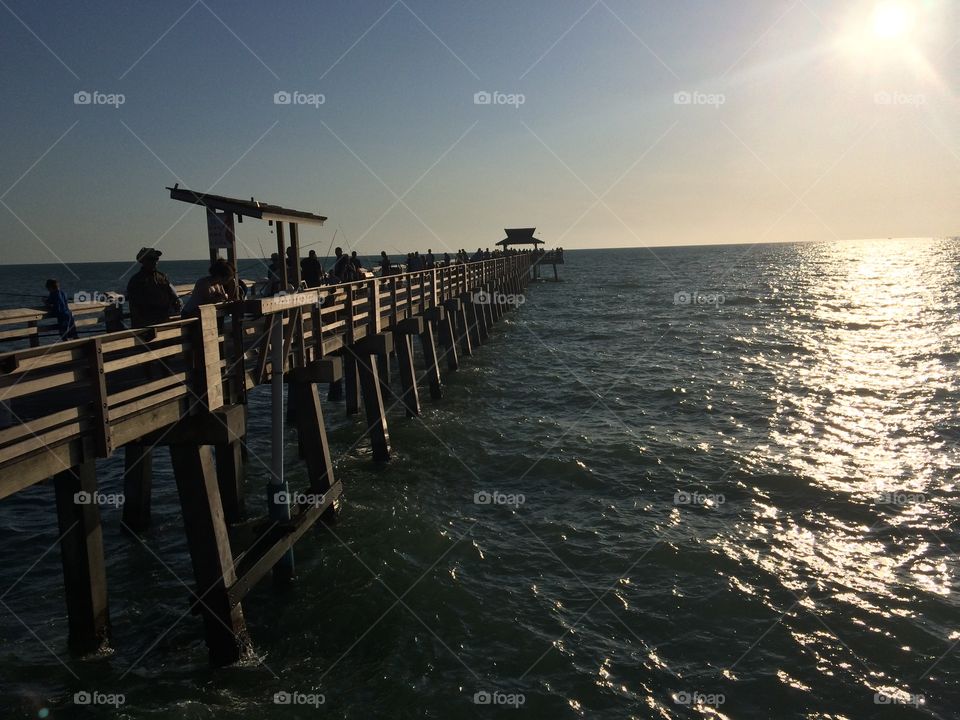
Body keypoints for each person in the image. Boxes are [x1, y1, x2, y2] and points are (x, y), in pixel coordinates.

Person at [126, 247, 182, 327]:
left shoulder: (162, 277)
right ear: (143, 261)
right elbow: (137, 306)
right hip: (148, 321)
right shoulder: (136, 280)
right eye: (151, 258)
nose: (155, 261)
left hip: (165, 316)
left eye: (156, 258)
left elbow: (171, 294)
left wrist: (176, 301)